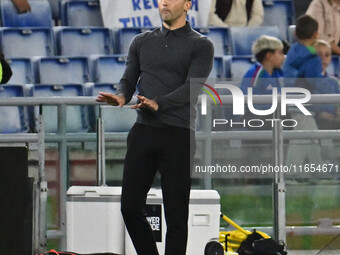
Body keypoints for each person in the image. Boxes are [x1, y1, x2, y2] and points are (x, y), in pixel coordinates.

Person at [96, 0, 214, 254]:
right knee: (129, 206)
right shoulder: (142, 41)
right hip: (143, 132)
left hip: (178, 134)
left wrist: (160, 104)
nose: (164, 2)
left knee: (176, 215)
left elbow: (193, 87)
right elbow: (128, 79)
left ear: (187, 5)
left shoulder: (201, 45)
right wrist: (121, 96)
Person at [314, 39, 340, 129]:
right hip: (315, 122)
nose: (323, 58)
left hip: (333, 122)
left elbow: (338, 105)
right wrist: (319, 114)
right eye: (319, 55)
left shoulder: (334, 82)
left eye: (327, 55)